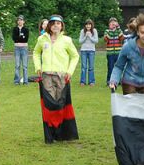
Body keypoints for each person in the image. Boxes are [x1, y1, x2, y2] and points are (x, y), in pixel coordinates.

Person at [33, 15, 80, 143]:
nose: (55, 26)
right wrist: (38, 67)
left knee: (60, 105)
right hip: (46, 75)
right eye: (53, 23)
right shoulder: (42, 39)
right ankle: (50, 135)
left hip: (61, 76)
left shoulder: (67, 40)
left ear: (62, 26)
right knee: (49, 105)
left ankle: (60, 133)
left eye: (58, 24)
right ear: (49, 25)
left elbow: (75, 56)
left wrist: (70, 71)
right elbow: (36, 52)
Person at [104, 17, 124, 85]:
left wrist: (118, 29)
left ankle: (118, 80)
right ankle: (109, 81)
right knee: (110, 67)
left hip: (118, 52)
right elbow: (106, 39)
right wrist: (111, 30)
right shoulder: (107, 31)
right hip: (110, 53)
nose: (113, 24)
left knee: (119, 67)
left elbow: (121, 38)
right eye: (111, 22)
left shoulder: (119, 31)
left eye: (114, 22)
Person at [79, 19, 98, 86]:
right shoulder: (82, 31)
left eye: (89, 24)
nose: (88, 26)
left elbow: (96, 41)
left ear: (91, 25)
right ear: (85, 25)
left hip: (91, 51)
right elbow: (80, 41)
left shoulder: (94, 31)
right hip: (83, 50)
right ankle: (82, 81)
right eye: (87, 24)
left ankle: (91, 81)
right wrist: (85, 36)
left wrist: (90, 36)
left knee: (91, 67)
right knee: (83, 67)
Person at [12, 15, 29, 85]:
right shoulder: (14, 29)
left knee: (25, 66)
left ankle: (25, 81)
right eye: (18, 20)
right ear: (17, 21)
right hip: (17, 48)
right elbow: (14, 39)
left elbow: (26, 39)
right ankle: (16, 81)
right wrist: (21, 37)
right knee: (17, 65)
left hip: (24, 48)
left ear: (23, 21)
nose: (20, 21)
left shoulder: (26, 30)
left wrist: (19, 37)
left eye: (21, 20)